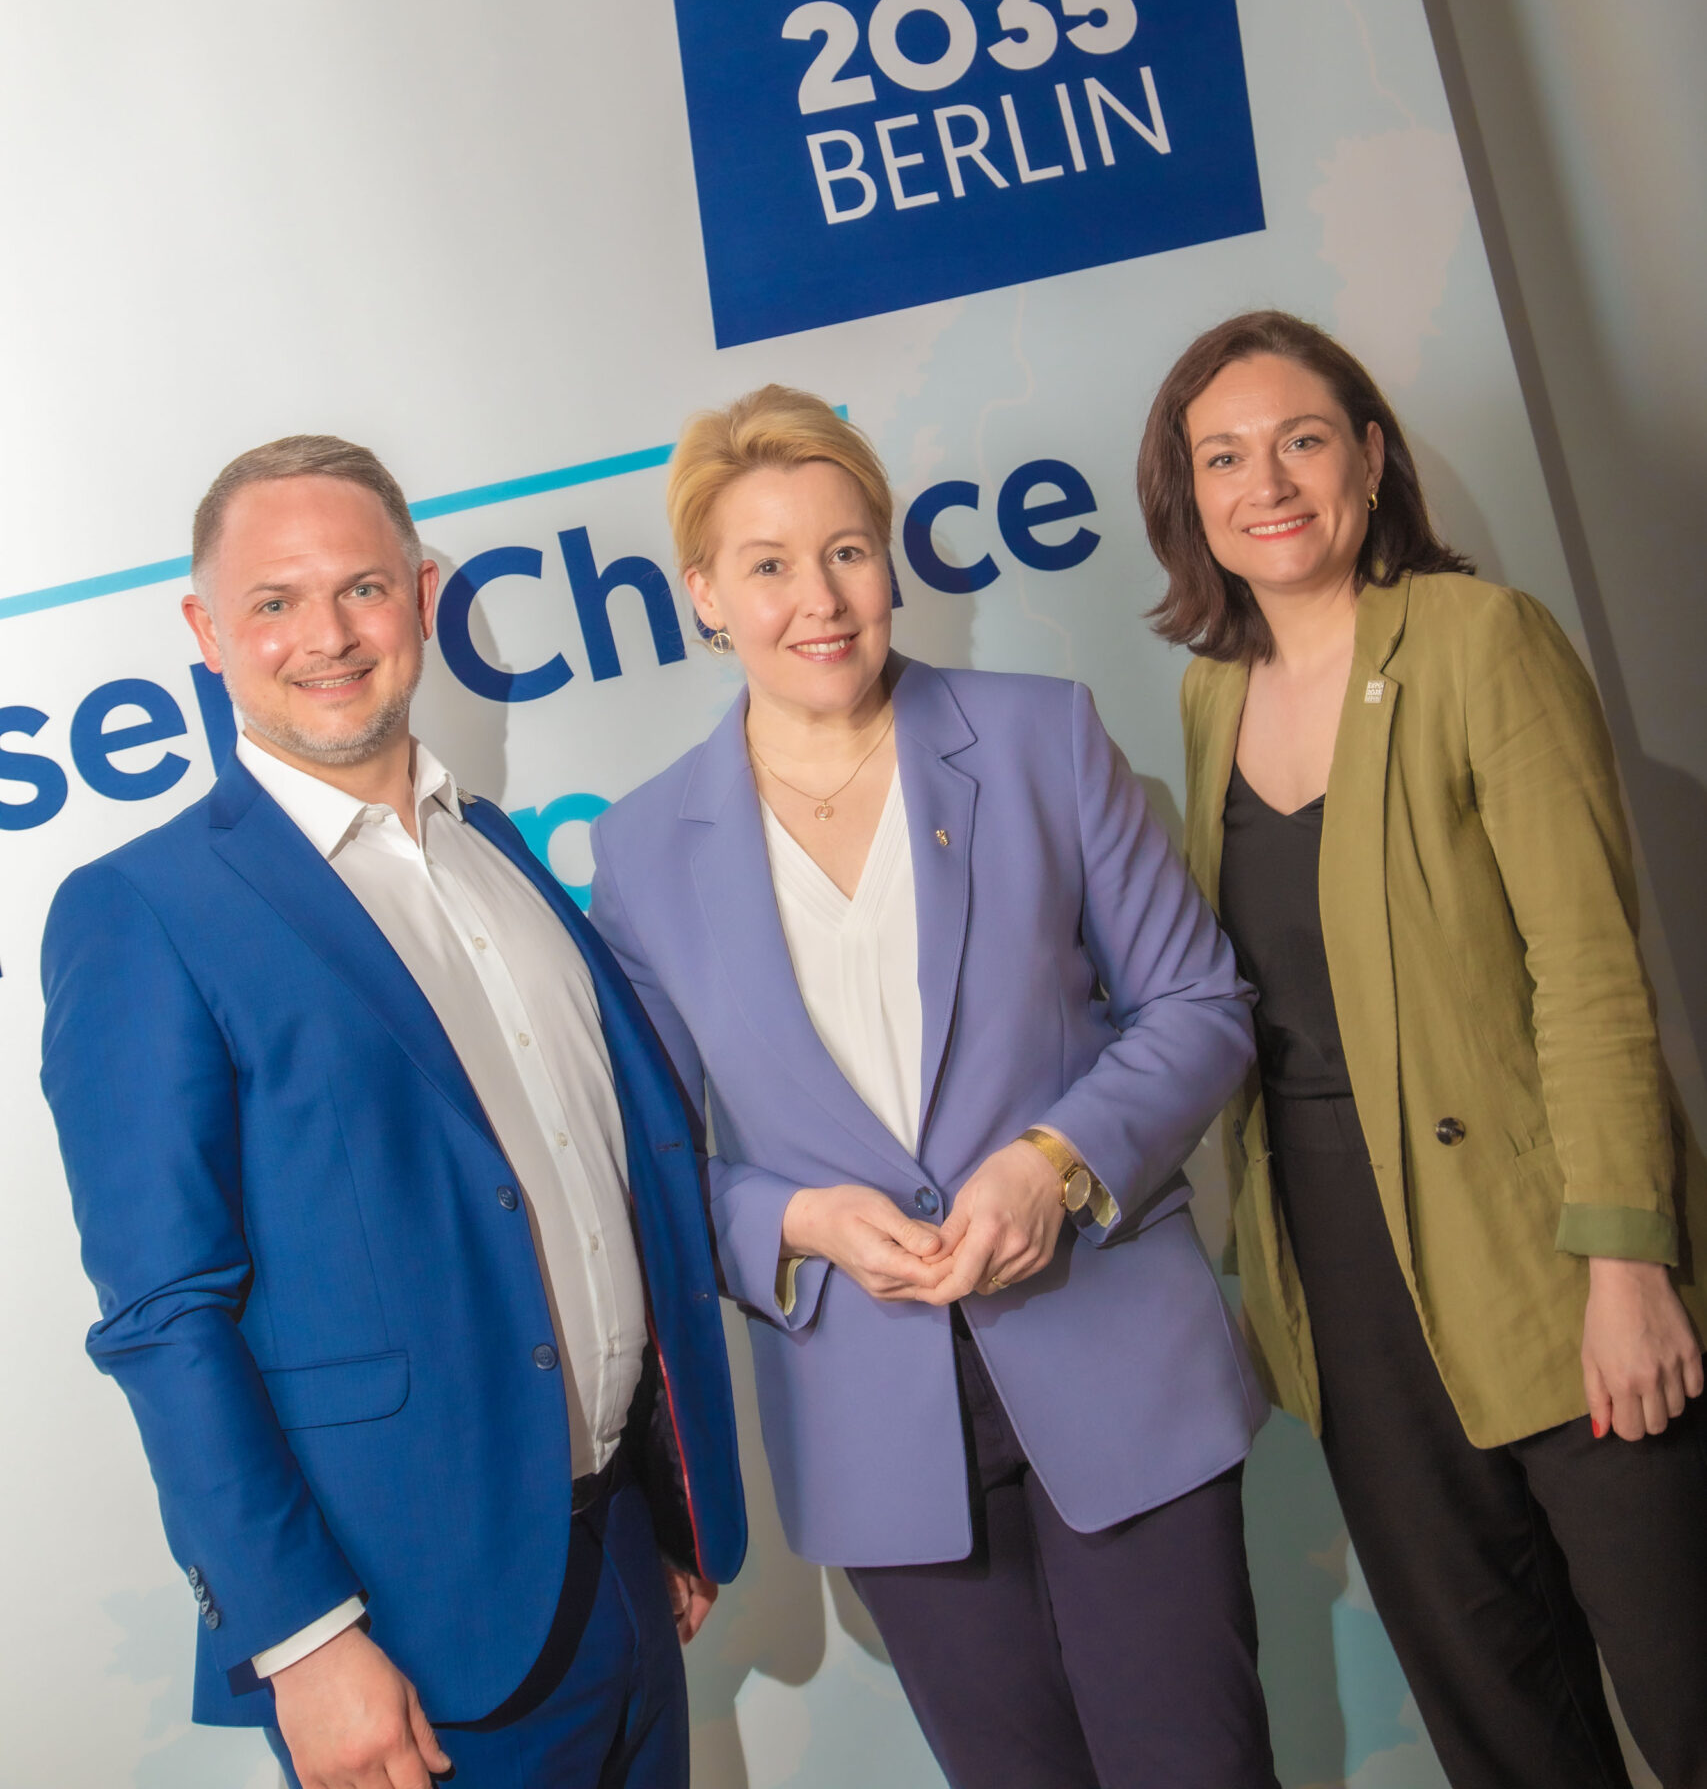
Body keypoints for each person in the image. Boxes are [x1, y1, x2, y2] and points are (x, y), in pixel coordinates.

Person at [588, 384, 1279, 1789]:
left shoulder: (1040, 738)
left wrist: (1057, 1162)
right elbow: (649, 1170)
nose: (820, 599)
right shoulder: (644, 851)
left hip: (1114, 1359)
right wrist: (797, 1223)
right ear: (703, 594)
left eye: (848, 549)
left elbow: (1200, 1006)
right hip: (873, 1422)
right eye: (769, 565)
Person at [40, 436, 745, 1789]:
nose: (327, 636)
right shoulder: (142, 912)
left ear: (420, 600)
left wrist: (665, 1500)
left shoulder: (497, 852)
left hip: (625, 1565)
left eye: (361, 588)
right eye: (274, 602)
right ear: (207, 632)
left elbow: (602, 1179)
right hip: (406, 1643)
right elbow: (165, 1319)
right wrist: (303, 1643)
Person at [1137, 309, 1707, 1789]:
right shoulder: (1209, 694)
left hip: (1549, 1257)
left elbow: (1591, 975)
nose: (1268, 482)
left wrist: (1628, 1266)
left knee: (1690, 1691)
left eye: (1302, 440)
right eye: (1223, 457)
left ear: (1372, 459)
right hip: (1345, 1289)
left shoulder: (1479, 641)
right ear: (1188, 497)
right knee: (1502, 1729)